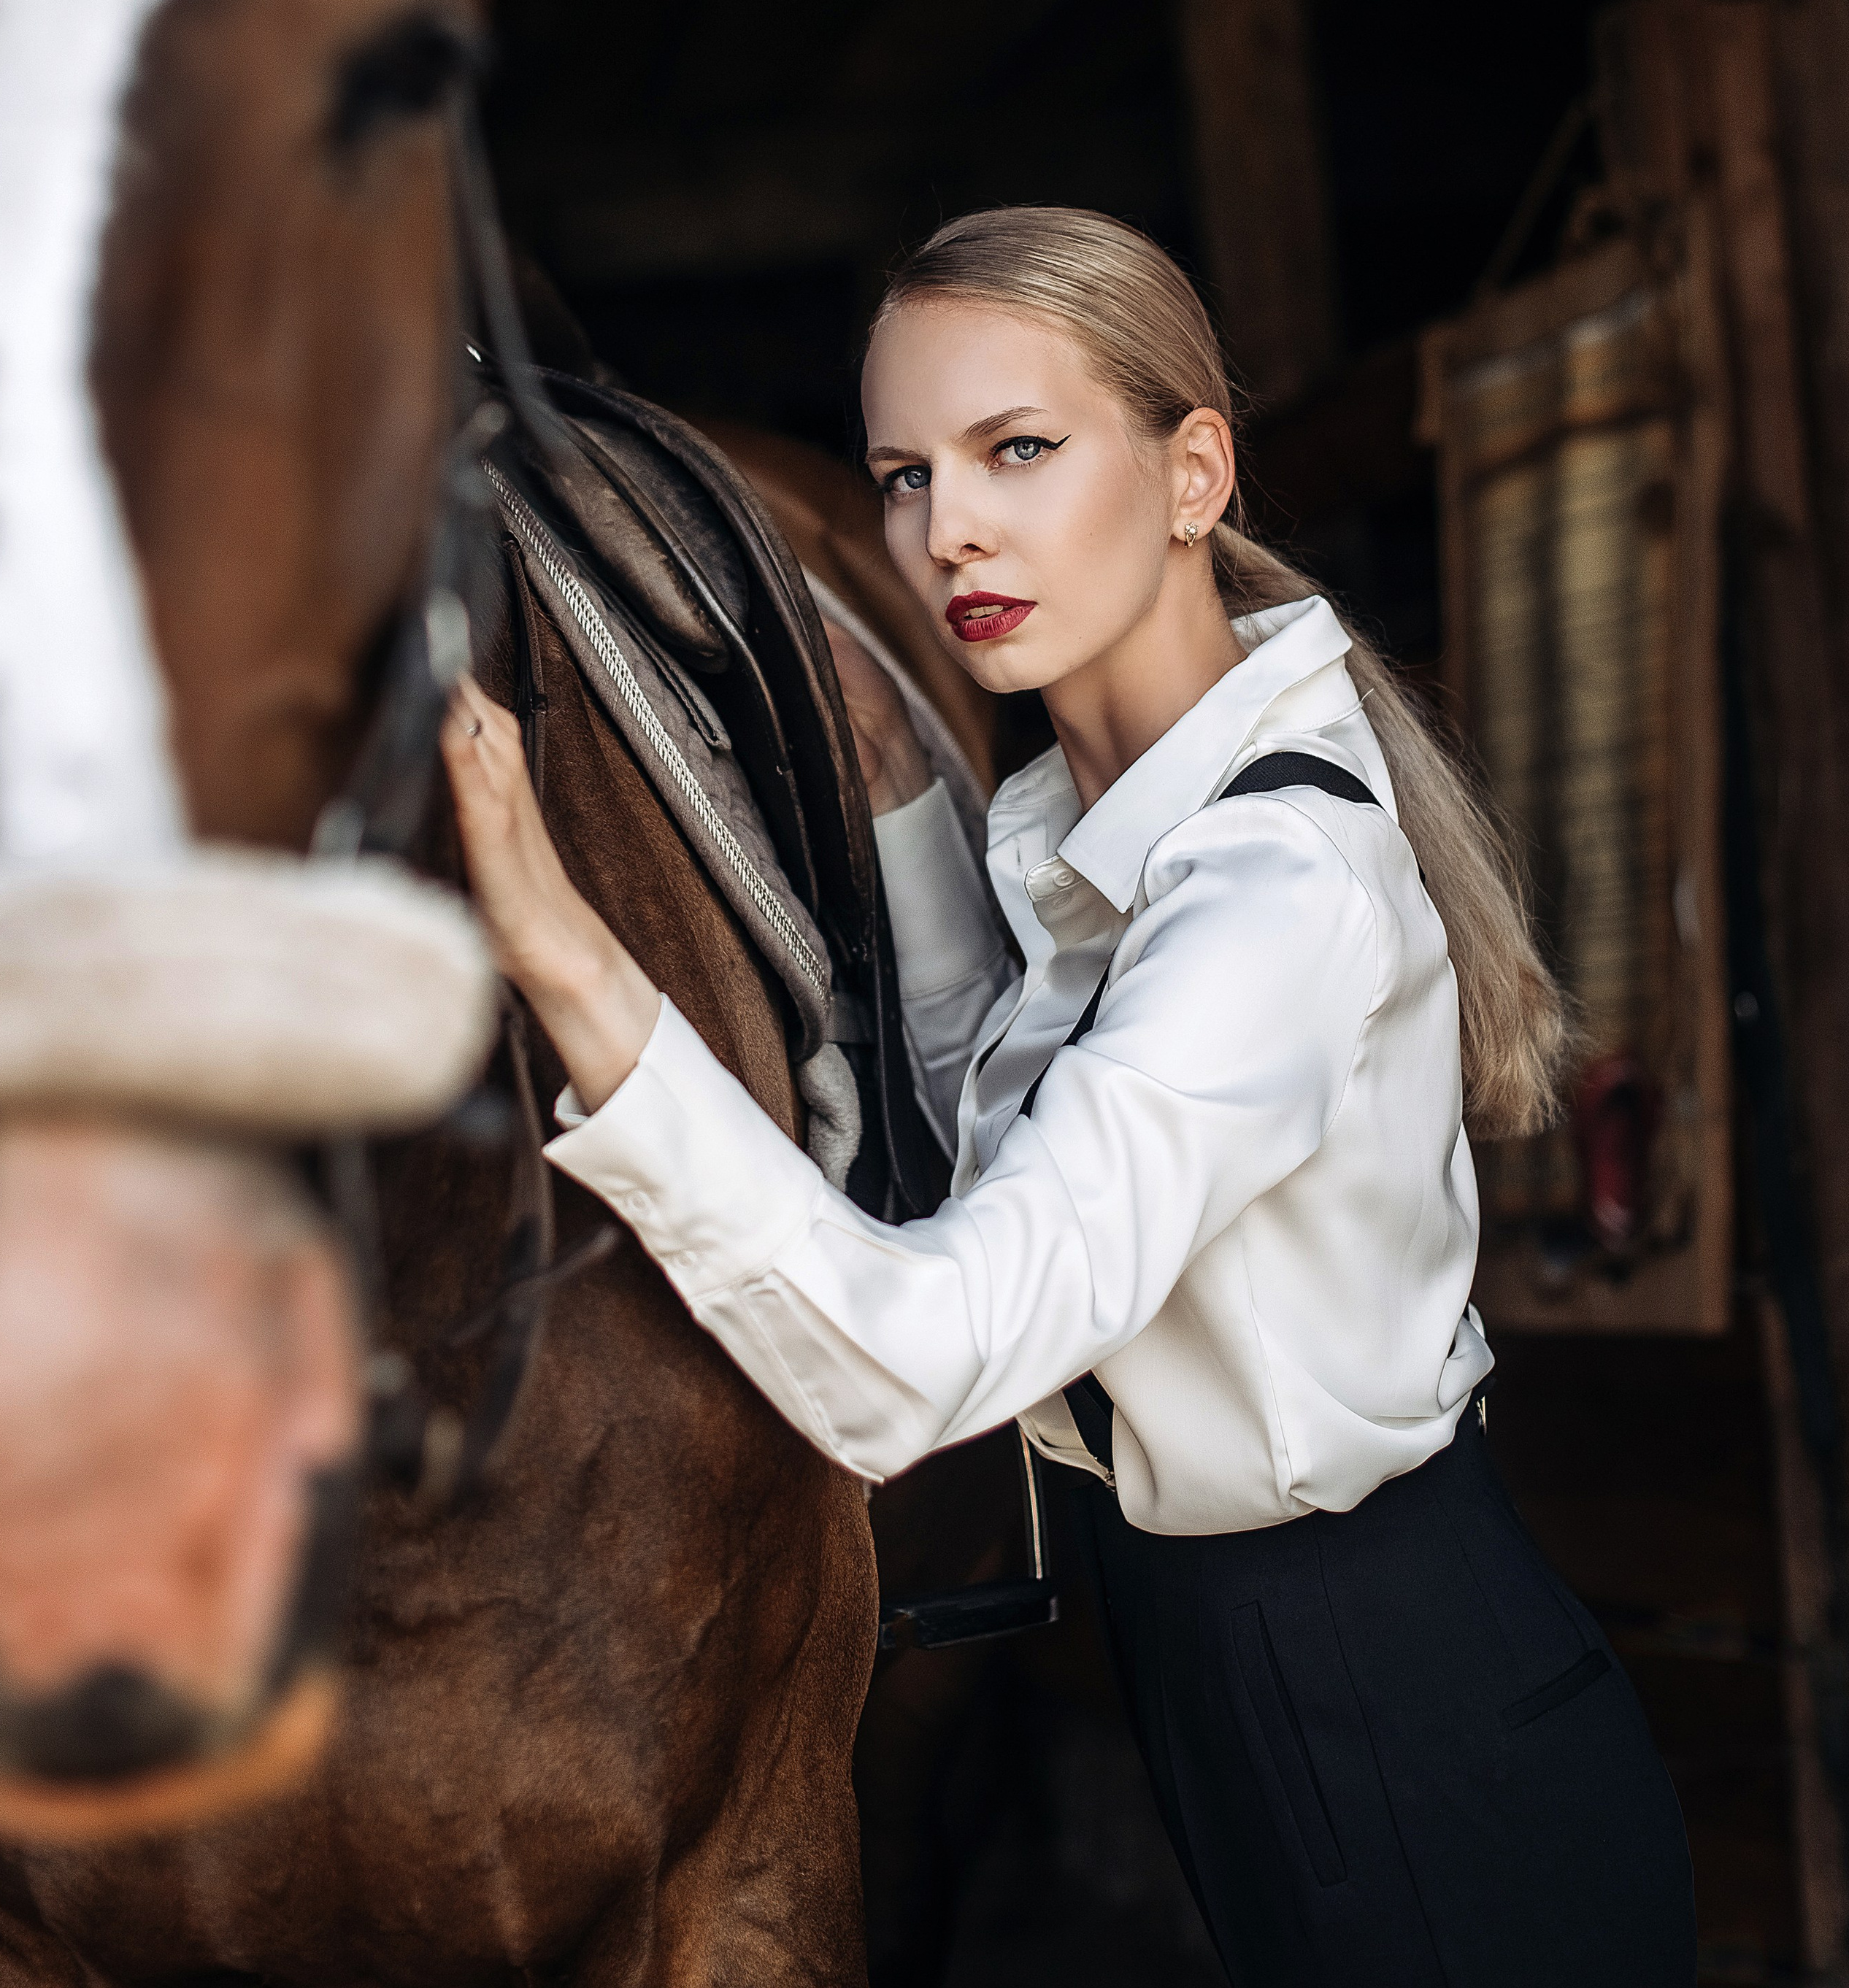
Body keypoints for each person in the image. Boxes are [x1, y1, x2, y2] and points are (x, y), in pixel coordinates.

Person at [442, 205, 1695, 1987]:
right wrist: (896, 807)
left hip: (1408, 1725)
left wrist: (574, 965)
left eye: (1015, 450)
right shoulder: (1112, 840)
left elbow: (922, 1349)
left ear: (1194, 472)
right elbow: (1010, 1135)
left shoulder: (1268, 893)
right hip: (1253, 1689)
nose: (945, 530)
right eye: (899, 475)